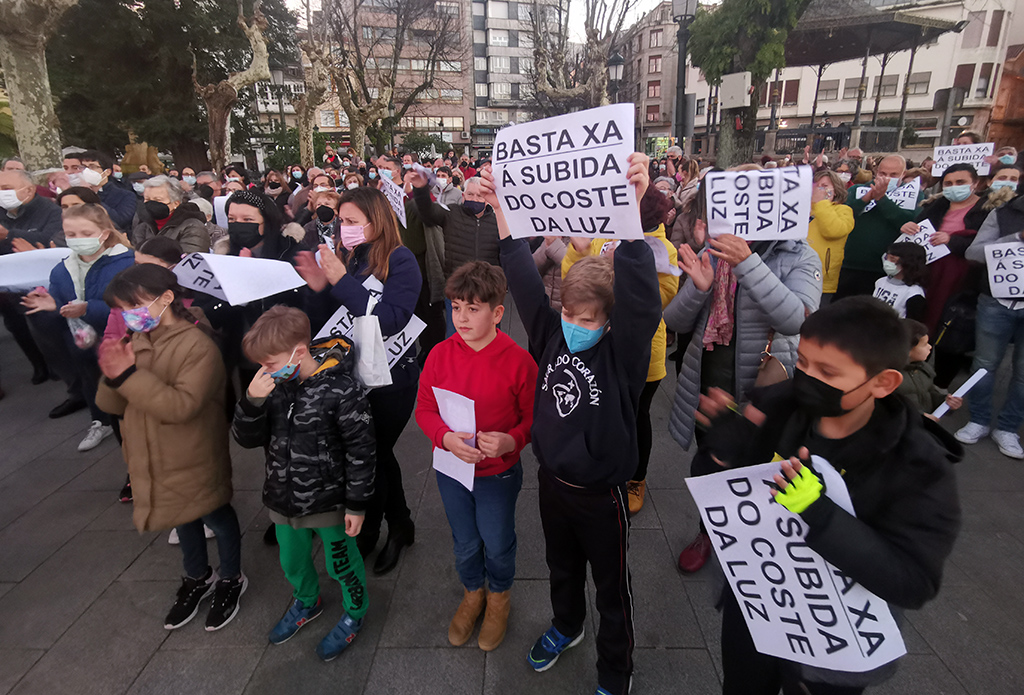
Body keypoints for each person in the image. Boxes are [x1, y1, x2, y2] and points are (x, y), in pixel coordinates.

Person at [698, 296, 960, 695]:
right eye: (803, 362)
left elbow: (913, 582)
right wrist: (721, 451)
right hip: (758, 606)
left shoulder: (918, 467)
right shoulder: (779, 408)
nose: (806, 379)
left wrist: (820, 513)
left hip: (834, 640)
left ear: (883, 382)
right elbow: (724, 498)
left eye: (828, 372)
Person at [485, 155, 658, 695]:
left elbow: (642, 303)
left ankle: (615, 671)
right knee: (560, 568)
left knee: (612, 588)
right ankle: (566, 625)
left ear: (608, 321)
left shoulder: (624, 356)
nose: (575, 325)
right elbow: (523, 281)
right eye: (569, 314)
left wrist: (631, 217)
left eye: (587, 319)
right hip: (553, 485)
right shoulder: (551, 336)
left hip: (602, 496)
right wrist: (503, 215)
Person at [666, 164, 822, 574]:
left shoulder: (799, 254)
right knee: (714, 458)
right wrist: (699, 289)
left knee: (764, 464)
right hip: (710, 379)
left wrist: (748, 263)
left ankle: (760, 540)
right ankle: (710, 531)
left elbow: (797, 320)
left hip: (765, 385)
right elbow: (675, 321)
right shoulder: (712, 251)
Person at [96, 264, 246, 632]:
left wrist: (127, 376)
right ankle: (197, 576)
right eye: (122, 309)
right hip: (154, 454)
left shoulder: (197, 345)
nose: (129, 316)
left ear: (166, 298)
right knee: (182, 516)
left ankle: (231, 577)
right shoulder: (136, 340)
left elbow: (182, 407)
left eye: (135, 305)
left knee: (215, 515)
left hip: (193, 453)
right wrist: (112, 375)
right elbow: (111, 404)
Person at [233, 306, 375, 661]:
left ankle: (355, 611)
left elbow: (361, 450)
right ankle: (307, 600)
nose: (265, 370)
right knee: (292, 560)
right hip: (283, 499)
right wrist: (252, 401)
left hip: (329, 502)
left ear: (298, 352)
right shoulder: (273, 388)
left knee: (342, 563)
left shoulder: (341, 390)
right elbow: (246, 438)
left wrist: (357, 504)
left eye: (269, 362)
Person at [295, 186, 422, 576]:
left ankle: (375, 529)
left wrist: (341, 281)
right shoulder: (350, 257)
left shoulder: (400, 260)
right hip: (354, 373)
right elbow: (329, 320)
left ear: (376, 221)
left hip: (392, 378)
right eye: (342, 220)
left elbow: (391, 319)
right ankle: (398, 525)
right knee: (374, 453)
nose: (344, 228)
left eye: (352, 221)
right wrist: (319, 288)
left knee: (375, 451)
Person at [415, 261, 537, 652]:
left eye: (473, 308)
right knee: (465, 540)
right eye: (456, 308)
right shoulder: (439, 355)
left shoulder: (518, 361)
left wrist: (512, 441)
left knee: (497, 540)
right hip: (452, 470)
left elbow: (534, 418)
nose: (462, 318)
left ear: (497, 313)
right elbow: (425, 408)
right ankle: (473, 591)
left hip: (497, 474)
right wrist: (444, 438)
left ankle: (499, 595)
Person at [561, 187, 679, 514]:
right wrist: (578, 251)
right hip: (596, 346)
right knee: (598, 409)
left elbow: (661, 299)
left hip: (642, 355)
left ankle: (636, 478)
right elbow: (574, 284)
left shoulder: (664, 250)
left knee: (637, 417)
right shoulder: (600, 238)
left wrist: (628, 268)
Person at [21, 204, 135, 449]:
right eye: (71, 234)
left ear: (104, 234)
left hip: (121, 341)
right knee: (91, 380)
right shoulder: (62, 269)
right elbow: (61, 300)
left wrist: (88, 309)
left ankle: (133, 424)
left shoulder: (126, 263)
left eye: (86, 233)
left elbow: (132, 307)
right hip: (82, 342)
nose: (77, 239)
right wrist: (53, 304)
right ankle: (100, 420)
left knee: (127, 386)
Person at [959, 186, 1024, 458]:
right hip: (996, 302)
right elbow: (973, 253)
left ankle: (1008, 428)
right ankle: (979, 420)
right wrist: (1016, 238)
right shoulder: (1004, 213)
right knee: (984, 365)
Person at [409, 171, 500, 337]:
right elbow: (427, 212)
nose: (474, 199)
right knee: (456, 338)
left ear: (487, 199)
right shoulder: (451, 213)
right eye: (470, 194)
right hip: (458, 292)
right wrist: (421, 190)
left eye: (479, 195)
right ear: (463, 196)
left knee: (489, 339)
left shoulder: (497, 222)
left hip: (487, 293)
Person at [834, 155, 915, 299]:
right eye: (883, 173)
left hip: (885, 268)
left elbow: (909, 221)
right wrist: (866, 198)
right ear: (876, 172)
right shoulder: (857, 190)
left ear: (903, 174)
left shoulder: (912, 195)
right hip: (849, 264)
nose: (887, 178)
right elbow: (843, 214)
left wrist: (882, 200)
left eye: (893, 175)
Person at [806, 169, 855, 303]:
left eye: (825, 186)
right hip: (796, 274)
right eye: (816, 185)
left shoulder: (844, 210)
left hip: (821, 279)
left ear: (836, 190)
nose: (819, 189)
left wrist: (821, 203)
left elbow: (833, 231)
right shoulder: (803, 210)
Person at [898, 319, 963, 416]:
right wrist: (921, 417)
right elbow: (892, 411)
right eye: (924, 344)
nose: (930, 347)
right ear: (907, 350)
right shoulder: (892, 379)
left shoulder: (922, 368)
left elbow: (930, 393)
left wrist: (945, 401)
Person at [132, 175, 211, 253]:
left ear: (176, 203)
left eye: (158, 200)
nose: (151, 204)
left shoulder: (193, 227)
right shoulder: (143, 227)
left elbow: (189, 258)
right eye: (147, 199)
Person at [67, 151, 138, 232]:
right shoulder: (74, 194)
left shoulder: (125, 195)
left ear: (107, 172)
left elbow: (120, 221)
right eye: (83, 167)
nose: (86, 171)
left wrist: (90, 196)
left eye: (92, 167)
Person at [872, 241, 927, 320]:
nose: (887, 262)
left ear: (908, 263)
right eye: (887, 258)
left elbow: (912, 322)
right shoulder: (880, 282)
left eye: (892, 259)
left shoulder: (913, 293)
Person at [533, 237, 569, 312]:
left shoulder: (587, 239)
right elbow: (531, 268)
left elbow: (580, 270)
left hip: (569, 308)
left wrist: (554, 245)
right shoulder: (549, 236)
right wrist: (546, 246)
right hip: (543, 304)